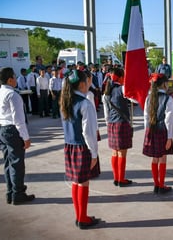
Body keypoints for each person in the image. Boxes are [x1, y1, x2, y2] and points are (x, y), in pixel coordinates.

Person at [60, 69, 100, 229]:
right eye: (88, 81)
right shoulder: (85, 104)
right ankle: (83, 218)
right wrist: (94, 153)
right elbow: (88, 133)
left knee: (76, 182)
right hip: (82, 147)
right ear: (83, 84)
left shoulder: (65, 101)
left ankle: (80, 216)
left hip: (69, 145)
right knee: (83, 183)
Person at [0, 67, 35, 205]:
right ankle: (18, 194)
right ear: (10, 80)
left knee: (8, 163)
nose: (16, 80)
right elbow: (19, 120)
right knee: (17, 164)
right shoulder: (13, 95)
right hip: (11, 130)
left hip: (1, 129)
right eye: (15, 77)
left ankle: (10, 192)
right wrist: (26, 137)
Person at [143, 73, 173, 194]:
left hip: (151, 130)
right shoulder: (168, 98)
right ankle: (161, 185)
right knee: (163, 158)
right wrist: (170, 137)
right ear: (164, 84)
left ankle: (156, 184)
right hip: (162, 131)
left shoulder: (148, 98)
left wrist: (148, 132)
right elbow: (169, 119)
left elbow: (146, 117)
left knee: (155, 159)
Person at [102, 68, 133, 187]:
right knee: (122, 153)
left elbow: (106, 112)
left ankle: (116, 178)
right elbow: (133, 98)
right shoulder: (122, 89)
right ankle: (121, 179)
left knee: (114, 152)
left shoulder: (106, 92)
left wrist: (108, 122)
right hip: (121, 123)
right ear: (120, 77)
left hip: (111, 123)